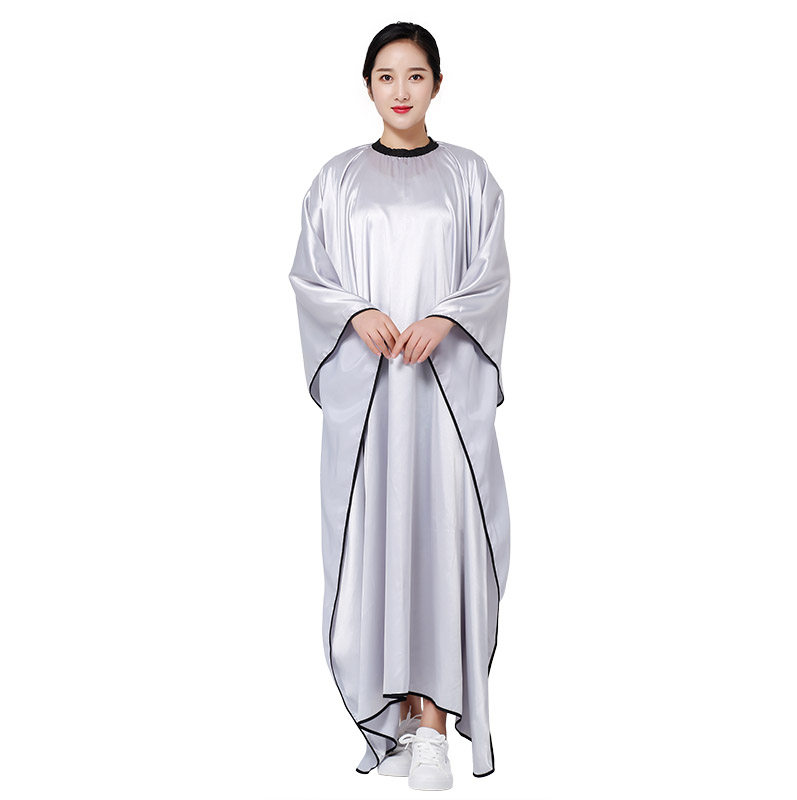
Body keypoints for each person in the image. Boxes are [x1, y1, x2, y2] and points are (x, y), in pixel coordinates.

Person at [288, 21, 511, 792]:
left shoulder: (469, 176)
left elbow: (491, 275)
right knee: (379, 539)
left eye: (415, 76)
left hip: (443, 400)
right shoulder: (337, 180)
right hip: (374, 401)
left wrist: (447, 317)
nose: (401, 90)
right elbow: (311, 275)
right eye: (387, 76)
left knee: (442, 540)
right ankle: (396, 717)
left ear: (437, 85)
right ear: (368, 86)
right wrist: (355, 312)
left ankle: (436, 728)